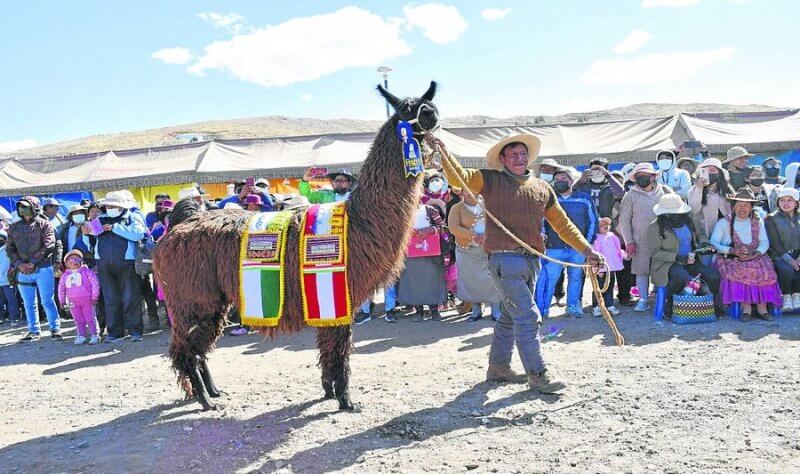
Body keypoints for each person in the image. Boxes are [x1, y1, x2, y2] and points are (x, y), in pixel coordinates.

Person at [435, 133, 603, 394]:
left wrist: (588, 250)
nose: (519, 158)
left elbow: (562, 224)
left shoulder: (541, 188)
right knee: (528, 316)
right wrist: (445, 153)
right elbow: (460, 180)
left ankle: (498, 368)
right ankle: (537, 374)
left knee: (511, 317)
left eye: (523, 154)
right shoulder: (489, 179)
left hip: (531, 259)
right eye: (512, 154)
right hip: (504, 259)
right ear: (502, 158)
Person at [710, 189, 782, 321]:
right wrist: (732, 251)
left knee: (766, 271)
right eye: (739, 205)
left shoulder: (757, 222)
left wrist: (756, 253)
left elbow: (764, 242)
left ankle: (762, 308)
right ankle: (746, 309)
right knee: (743, 271)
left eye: (746, 205)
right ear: (733, 206)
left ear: (751, 208)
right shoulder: (724, 223)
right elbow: (714, 243)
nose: (742, 208)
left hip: (754, 256)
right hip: (730, 259)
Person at [535, 168, 598, 318]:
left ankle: (573, 308)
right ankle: (542, 310)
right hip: (553, 248)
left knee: (576, 277)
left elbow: (592, 221)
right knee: (549, 279)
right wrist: (542, 238)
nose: (559, 182)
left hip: (578, 249)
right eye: (556, 180)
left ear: (571, 181)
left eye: (563, 179)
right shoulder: (548, 200)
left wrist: (586, 245)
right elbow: (541, 222)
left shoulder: (584, 198)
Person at [647, 194, 723, 317]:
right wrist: (676, 257)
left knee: (713, 276)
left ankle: (712, 304)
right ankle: (670, 303)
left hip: (691, 260)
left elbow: (701, 234)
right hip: (667, 264)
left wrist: (704, 242)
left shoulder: (689, 219)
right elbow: (655, 252)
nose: (675, 216)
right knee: (682, 277)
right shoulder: (654, 227)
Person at [88, 191, 147, 342]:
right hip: (104, 263)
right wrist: (87, 231)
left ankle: (135, 331)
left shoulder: (132, 217)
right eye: (107, 205)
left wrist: (113, 228)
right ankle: (115, 332)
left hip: (126, 263)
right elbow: (92, 234)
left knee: (130, 298)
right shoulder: (100, 218)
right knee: (110, 299)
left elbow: (138, 234)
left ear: (121, 206)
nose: (109, 207)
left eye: (113, 205)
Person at [618, 163, 672, 312]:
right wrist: (629, 241)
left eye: (646, 175)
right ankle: (643, 299)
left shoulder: (665, 191)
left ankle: (661, 299)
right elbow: (624, 220)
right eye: (639, 176)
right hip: (640, 240)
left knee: (663, 268)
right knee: (642, 271)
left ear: (653, 176)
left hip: (664, 239)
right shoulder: (630, 195)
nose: (643, 178)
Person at [7, 196, 61, 341]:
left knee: (47, 301)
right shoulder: (13, 227)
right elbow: (10, 249)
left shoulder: (45, 224)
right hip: (22, 271)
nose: (20, 209)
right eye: (19, 206)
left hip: (43, 268)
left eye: (24, 206)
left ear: (34, 207)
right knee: (29, 303)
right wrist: (20, 264)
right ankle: (33, 331)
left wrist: (32, 263)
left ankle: (55, 329)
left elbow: (50, 245)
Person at [448, 190, 502, 322]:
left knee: (491, 279)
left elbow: (498, 224)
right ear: (462, 192)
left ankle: (495, 310)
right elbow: (453, 227)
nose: (469, 193)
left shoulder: (489, 206)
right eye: (466, 190)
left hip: (487, 249)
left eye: (472, 189)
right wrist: (473, 236)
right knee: (470, 281)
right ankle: (476, 311)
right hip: (466, 250)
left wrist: (486, 236)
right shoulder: (457, 208)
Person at [397, 196, 448, 322]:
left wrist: (430, 230)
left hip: (431, 253)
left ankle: (434, 310)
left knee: (433, 280)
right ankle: (419, 311)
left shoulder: (430, 210)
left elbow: (444, 228)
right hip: (411, 253)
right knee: (414, 281)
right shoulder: (401, 212)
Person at [764, 187, 800, 311]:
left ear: (796, 202)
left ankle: (797, 295)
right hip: (779, 255)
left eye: (790, 200)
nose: (785, 203)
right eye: (782, 200)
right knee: (787, 270)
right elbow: (775, 243)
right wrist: (791, 260)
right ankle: (786, 296)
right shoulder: (772, 218)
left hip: (798, 254)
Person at [58, 250, 100, 345]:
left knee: (90, 318)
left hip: (87, 300)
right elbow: (61, 289)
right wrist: (62, 301)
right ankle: (81, 335)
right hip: (73, 301)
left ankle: (94, 334)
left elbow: (95, 284)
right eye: (71, 259)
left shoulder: (88, 272)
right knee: (78, 318)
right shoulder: (65, 276)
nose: (75, 261)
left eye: (78, 259)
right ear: (66, 263)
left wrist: (94, 297)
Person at [688, 158, 732, 247]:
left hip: (726, 233)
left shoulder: (726, 189)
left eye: (712, 170)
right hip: (706, 233)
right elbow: (694, 210)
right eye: (705, 170)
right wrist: (699, 188)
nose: (709, 173)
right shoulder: (693, 190)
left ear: (719, 173)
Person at [591, 217, 623, 317]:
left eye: (607, 224)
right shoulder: (596, 238)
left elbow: (618, 250)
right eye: (602, 225)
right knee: (599, 287)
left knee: (610, 286)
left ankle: (610, 305)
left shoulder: (612, 236)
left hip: (611, 267)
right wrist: (598, 268)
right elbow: (595, 253)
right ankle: (597, 306)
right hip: (601, 268)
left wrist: (621, 259)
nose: (606, 226)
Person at [0, 230, 21, 325]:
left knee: (11, 299)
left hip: (7, 280)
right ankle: (2, 317)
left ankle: (15, 317)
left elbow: (9, 265)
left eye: (2, 238)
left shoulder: (9, 250)